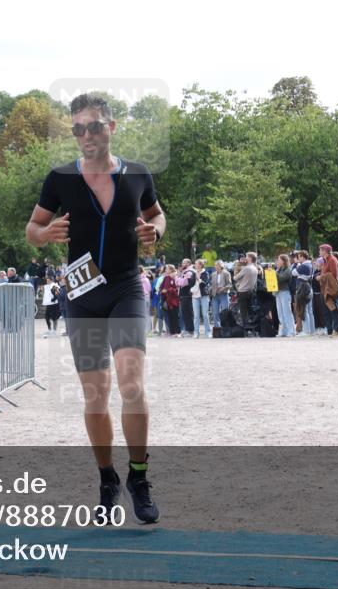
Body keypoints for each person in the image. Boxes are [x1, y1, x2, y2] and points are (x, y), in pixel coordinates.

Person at [25, 92, 165, 524]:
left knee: (131, 383)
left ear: (112, 127)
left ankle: (138, 477)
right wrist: (44, 236)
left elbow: (158, 216)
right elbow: (33, 228)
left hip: (126, 287)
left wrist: (154, 232)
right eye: (78, 128)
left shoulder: (138, 175)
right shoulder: (61, 178)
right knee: (95, 395)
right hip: (83, 294)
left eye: (94, 126)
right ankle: (107, 478)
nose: (86, 135)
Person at [317, 244, 338, 337]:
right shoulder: (326, 260)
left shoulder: (332, 260)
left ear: (325, 251)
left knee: (333, 309)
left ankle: (337, 330)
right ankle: (330, 331)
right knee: (326, 311)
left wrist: (321, 277)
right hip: (325, 288)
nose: (319, 252)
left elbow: (334, 275)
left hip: (331, 289)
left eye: (320, 250)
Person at [275, 255, 296, 337]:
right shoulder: (278, 270)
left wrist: (274, 273)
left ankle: (291, 331)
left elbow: (282, 278)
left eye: (279, 260)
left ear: (284, 261)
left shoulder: (288, 269)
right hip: (278, 292)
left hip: (285, 291)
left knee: (287, 311)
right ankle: (283, 331)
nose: (277, 262)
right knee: (280, 312)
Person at [192, 259, 212, 338]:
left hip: (204, 295)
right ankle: (196, 332)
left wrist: (199, 279)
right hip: (195, 296)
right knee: (196, 315)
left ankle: (208, 332)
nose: (195, 265)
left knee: (205, 314)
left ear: (200, 265)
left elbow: (205, 284)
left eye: (196, 264)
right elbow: (190, 283)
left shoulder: (205, 273)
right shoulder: (193, 273)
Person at [160, 264, 181, 337]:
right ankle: (173, 332)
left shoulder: (173, 277)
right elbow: (162, 288)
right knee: (170, 316)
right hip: (168, 300)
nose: (166, 270)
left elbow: (174, 288)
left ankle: (177, 332)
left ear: (171, 270)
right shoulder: (167, 277)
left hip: (173, 300)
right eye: (166, 269)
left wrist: (168, 290)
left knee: (174, 316)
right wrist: (163, 290)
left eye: (167, 269)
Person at [211, 260, 232, 333]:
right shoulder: (213, 274)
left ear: (221, 266)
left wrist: (223, 288)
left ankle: (226, 328)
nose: (215, 266)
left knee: (225, 311)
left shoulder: (226, 273)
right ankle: (217, 328)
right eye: (215, 265)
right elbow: (212, 285)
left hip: (224, 294)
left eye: (217, 265)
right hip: (215, 295)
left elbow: (230, 284)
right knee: (215, 312)